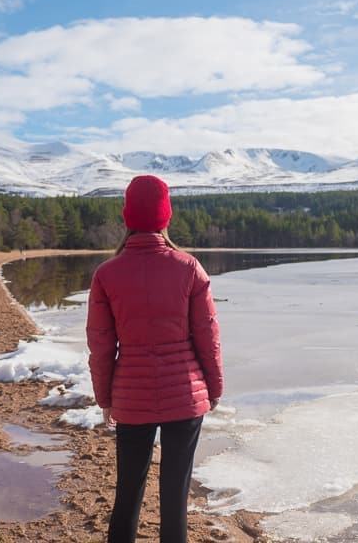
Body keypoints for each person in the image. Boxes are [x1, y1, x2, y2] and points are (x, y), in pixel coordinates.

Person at [86, 175, 223, 543]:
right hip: (184, 394)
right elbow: (208, 336)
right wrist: (213, 387)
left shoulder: (106, 274)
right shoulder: (188, 268)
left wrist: (105, 397)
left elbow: (101, 347)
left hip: (131, 399)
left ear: (127, 216)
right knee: (175, 498)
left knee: (128, 493)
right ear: (167, 216)